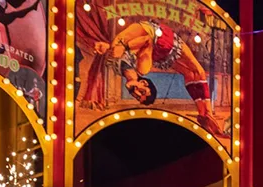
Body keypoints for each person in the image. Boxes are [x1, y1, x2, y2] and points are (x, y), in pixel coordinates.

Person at [93, 21, 227, 138]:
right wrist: (122, 47)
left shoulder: (121, 70)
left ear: (144, 82)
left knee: (194, 73)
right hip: (161, 42)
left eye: (139, 96)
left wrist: (107, 47)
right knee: (195, 73)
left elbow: (142, 41)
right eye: (141, 94)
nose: (136, 94)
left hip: (161, 40)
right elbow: (147, 40)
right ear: (144, 83)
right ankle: (206, 113)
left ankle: (205, 113)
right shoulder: (142, 68)